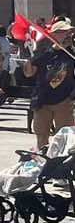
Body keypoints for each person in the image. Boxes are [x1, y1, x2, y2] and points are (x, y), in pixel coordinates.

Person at [25, 20, 75, 151]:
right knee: (41, 135)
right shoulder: (44, 53)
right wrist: (29, 60)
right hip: (43, 101)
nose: (68, 35)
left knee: (65, 136)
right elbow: (29, 74)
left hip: (64, 101)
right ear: (54, 35)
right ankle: (43, 159)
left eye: (69, 32)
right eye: (64, 32)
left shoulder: (72, 53)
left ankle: (60, 163)